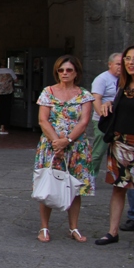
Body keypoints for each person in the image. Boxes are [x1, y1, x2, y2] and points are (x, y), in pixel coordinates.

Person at [95, 45, 134, 252]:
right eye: (127, 59)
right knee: (118, 188)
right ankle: (112, 232)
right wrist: (108, 105)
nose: (131, 62)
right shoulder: (122, 85)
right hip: (119, 143)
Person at [33, 55, 94, 243]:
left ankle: (73, 227)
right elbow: (43, 119)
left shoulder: (84, 95)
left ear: (76, 73)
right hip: (51, 145)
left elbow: (84, 122)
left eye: (69, 70)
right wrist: (56, 142)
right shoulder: (48, 92)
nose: (64, 73)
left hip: (75, 146)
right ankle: (44, 227)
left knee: (75, 187)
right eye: (61, 70)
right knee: (48, 184)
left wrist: (66, 140)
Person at [91, 54, 134, 231]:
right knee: (99, 153)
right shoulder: (105, 80)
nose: (125, 65)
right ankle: (90, 177)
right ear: (110, 64)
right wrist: (104, 119)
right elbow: (97, 99)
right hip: (115, 131)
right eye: (122, 62)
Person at [0, 62, 17, 134]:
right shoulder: (10, 71)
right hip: (7, 92)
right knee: (6, 109)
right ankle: (2, 127)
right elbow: (16, 80)